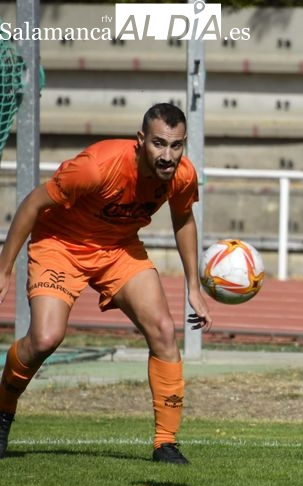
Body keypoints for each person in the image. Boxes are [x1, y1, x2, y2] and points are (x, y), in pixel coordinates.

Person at [0, 102, 212, 464]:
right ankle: (3, 410)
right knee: (45, 339)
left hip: (118, 249)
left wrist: (194, 286)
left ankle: (166, 443)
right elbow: (32, 204)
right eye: (159, 144)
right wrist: (4, 269)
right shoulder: (96, 167)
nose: (168, 156)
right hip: (61, 246)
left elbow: (183, 220)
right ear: (140, 140)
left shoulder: (182, 176)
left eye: (176, 146)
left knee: (163, 330)